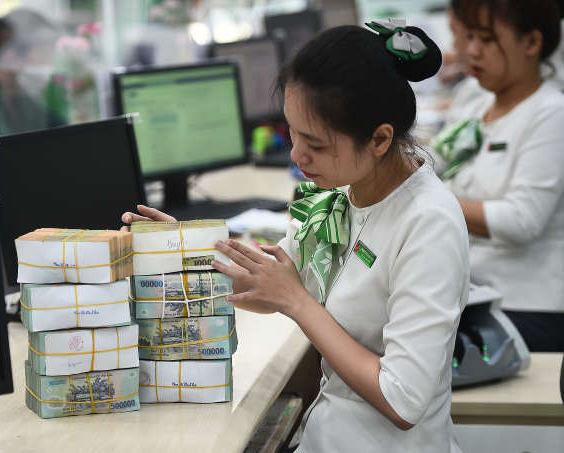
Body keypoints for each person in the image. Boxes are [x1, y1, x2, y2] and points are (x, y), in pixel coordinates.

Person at [123, 21, 470, 452]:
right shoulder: (343, 190)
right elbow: (267, 284)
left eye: (316, 144)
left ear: (380, 139)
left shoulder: (428, 223)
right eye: (291, 134)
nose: (296, 155)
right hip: (330, 434)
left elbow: (404, 400)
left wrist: (297, 302)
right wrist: (181, 250)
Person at [438, 0, 564, 352]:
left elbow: (521, 221)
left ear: (531, 43)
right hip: (468, 294)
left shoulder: (550, 113)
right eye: (470, 37)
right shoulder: (474, 99)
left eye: (488, 39)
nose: (472, 51)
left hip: (523, 307)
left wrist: (433, 201)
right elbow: (432, 165)